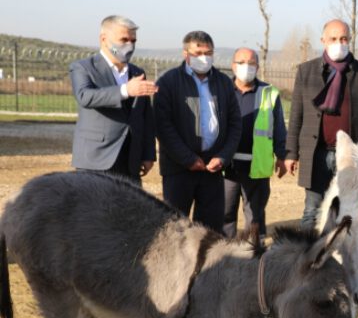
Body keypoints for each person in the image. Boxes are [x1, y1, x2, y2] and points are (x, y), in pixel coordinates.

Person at [285, 19, 358, 228]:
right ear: (323, 40)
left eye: (344, 38)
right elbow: (296, 115)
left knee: (352, 210)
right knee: (313, 211)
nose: (340, 43)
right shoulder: (306, 72)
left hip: (353, 155)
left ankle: (346, 257)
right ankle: (308, 259)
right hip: (317, 153)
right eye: (334, 38)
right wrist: (291, 153)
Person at [154, 31, 242, 233]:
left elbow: (235, 124)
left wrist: (223, 156)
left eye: (208, 52)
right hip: (178, 169)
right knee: (175, 229)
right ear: (186, 54)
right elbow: (163, 127)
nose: (204, 57)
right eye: (198, 52)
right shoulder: (168, 82)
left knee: (210, 231)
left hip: (212, 168)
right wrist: (188, 159)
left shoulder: (223, 82)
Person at [69, 15, 157, 185]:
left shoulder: (137, 73)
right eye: (123, 39)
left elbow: (146, 117)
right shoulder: (83, 67)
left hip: (131, 160)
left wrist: (148, 154)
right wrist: (125, 90)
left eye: (133, 41)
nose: (129, 45)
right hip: (96, 159)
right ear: (104, 39)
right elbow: (85, 96)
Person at [223, 47, 287, 239]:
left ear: (258, 67)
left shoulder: (268, 92)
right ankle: (225, 254)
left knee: (255, 216)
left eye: (251, 63)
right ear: (233, 66)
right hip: (226, 165)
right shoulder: (223, 90)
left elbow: (279, 128)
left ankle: (254, 254)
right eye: (241, 62)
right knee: (225, 213)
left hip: (256, 165)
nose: (246, 67)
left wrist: (282, 156)